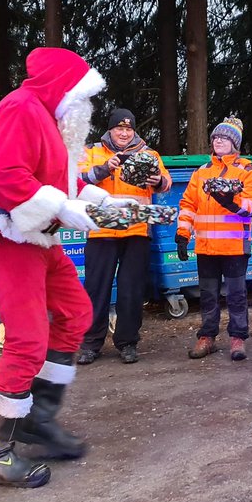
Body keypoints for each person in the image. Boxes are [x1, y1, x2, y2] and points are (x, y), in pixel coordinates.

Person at [0, 47, 133, 488]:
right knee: (28, 339)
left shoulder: (51, 122)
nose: (88, 107)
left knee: (76, 312)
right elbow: (4, 177)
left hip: (35, 236)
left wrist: (104, 201)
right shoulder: (19, 109)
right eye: (83, 96)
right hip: (4, 234)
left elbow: (64, 182)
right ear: (64, 89)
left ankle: (34, 418)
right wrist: (63, 208)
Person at [76, 108, 172, 365]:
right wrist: (104, 169)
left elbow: (166, 183)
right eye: (119, 128)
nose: (124, 132)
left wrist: (158, 180)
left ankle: (128, 343)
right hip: (101, 229)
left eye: (128, 129)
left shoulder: (148, 153)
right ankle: (90, 343)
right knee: (96, 289)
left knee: (131, 290)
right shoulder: (91, 151)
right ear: (110, 130)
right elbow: (77, 180)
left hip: (137, 229)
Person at [176, 118, 252, 361]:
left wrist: (231, 203)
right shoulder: (201, 172)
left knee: (236, 295)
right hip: (205, 247)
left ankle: (237, 339)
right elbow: (188, 205)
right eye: (216, 137)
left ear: (235, 143)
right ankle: (207, 337)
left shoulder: (246, 172)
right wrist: (183, 234)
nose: (219, 141)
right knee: (208, 295)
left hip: (235, 246)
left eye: (225, 138)